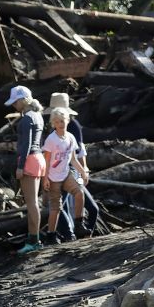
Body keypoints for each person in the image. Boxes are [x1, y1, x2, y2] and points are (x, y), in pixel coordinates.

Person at [46, 93, 99, 241]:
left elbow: (79, 151)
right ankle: (70, 237)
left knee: (90, 207)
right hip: (58, 172)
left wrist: (84, 169)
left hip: (71, 171)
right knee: (61, 206)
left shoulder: (73, 126)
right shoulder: (52, 132)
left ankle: (82, 234)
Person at [6, 85, 46, 254]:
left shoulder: (26, 119)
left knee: (32, 204)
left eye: (15, 101)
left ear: (23, 100)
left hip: (29, 159)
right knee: (33, 202)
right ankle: (33, 238)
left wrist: (20, 167)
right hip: (39, 158)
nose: (14, 105)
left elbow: (26, 144)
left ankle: (34, 241)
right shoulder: (38, 116)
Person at [41, 107, 90, 242]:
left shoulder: (70, 137)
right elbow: (46, 161)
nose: (60, 124)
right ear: (53, 124)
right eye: (57, 122)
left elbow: (73, 159)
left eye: (62, 121)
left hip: (66, 173)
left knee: (79, 192)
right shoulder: (51, 139)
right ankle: (51, 234)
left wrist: (83, 172)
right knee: (56, 208)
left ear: (67, 121)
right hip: (53, 177)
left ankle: (79, 222)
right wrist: (45, 179)